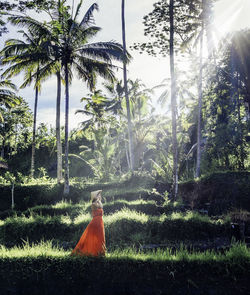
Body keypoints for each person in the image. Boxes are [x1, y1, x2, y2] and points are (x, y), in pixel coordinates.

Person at [71, 190, 106, 256]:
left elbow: (100, 207)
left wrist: (99, 200)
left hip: (100, 222)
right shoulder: (94, 204)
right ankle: (94, 252)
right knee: (93, 238)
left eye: (100, 195)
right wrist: (98, 201)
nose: (100, 196)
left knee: (100, 237)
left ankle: (100, 252)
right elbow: (96, 207)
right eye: (98, 195)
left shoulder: (99, 202)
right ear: (95, 196)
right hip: (96, 222)